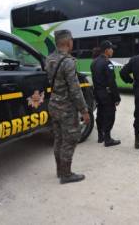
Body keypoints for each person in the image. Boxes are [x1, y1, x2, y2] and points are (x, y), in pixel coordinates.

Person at [45, 30, 90, 184]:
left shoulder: (49, 59)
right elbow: (75, 90)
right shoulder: (68, 61)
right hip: (66, 108)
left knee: (58, 139)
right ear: (68, 42)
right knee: (69, 140)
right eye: (72, 40)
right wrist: (84, 110)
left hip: (54, 104)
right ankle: (66, 174)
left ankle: (60, 170)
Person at [91, 40, 121, 147]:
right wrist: (117, 97)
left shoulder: (94, 62)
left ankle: (100, 136)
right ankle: (108, 139)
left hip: (97, 93)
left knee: (100, 113)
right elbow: (111, 82)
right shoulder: (107, 63)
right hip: (106, 94)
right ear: (107, 50)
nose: (112, 51)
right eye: (111, 49)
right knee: (110, 115)